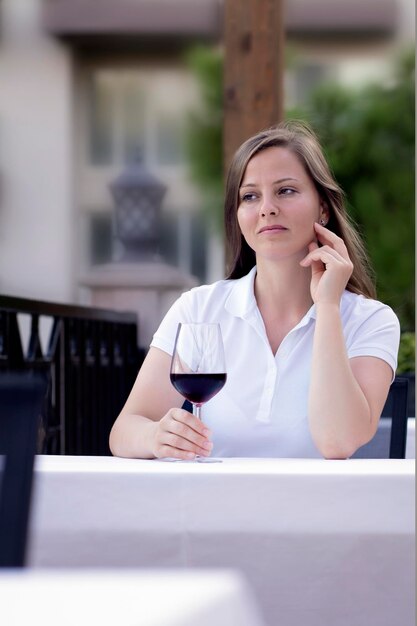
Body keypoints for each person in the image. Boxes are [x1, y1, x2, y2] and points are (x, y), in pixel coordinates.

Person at [109, 120, 400, 460]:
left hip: (318, 511)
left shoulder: (371, 320)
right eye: (250, 196)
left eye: (285, 190)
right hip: (211, 509)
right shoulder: (198, 308)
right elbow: (124, 430)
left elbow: (337, 442)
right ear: (238, 214)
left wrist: (328, 307)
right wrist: (155, 436)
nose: (267, 208)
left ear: (323, 206)